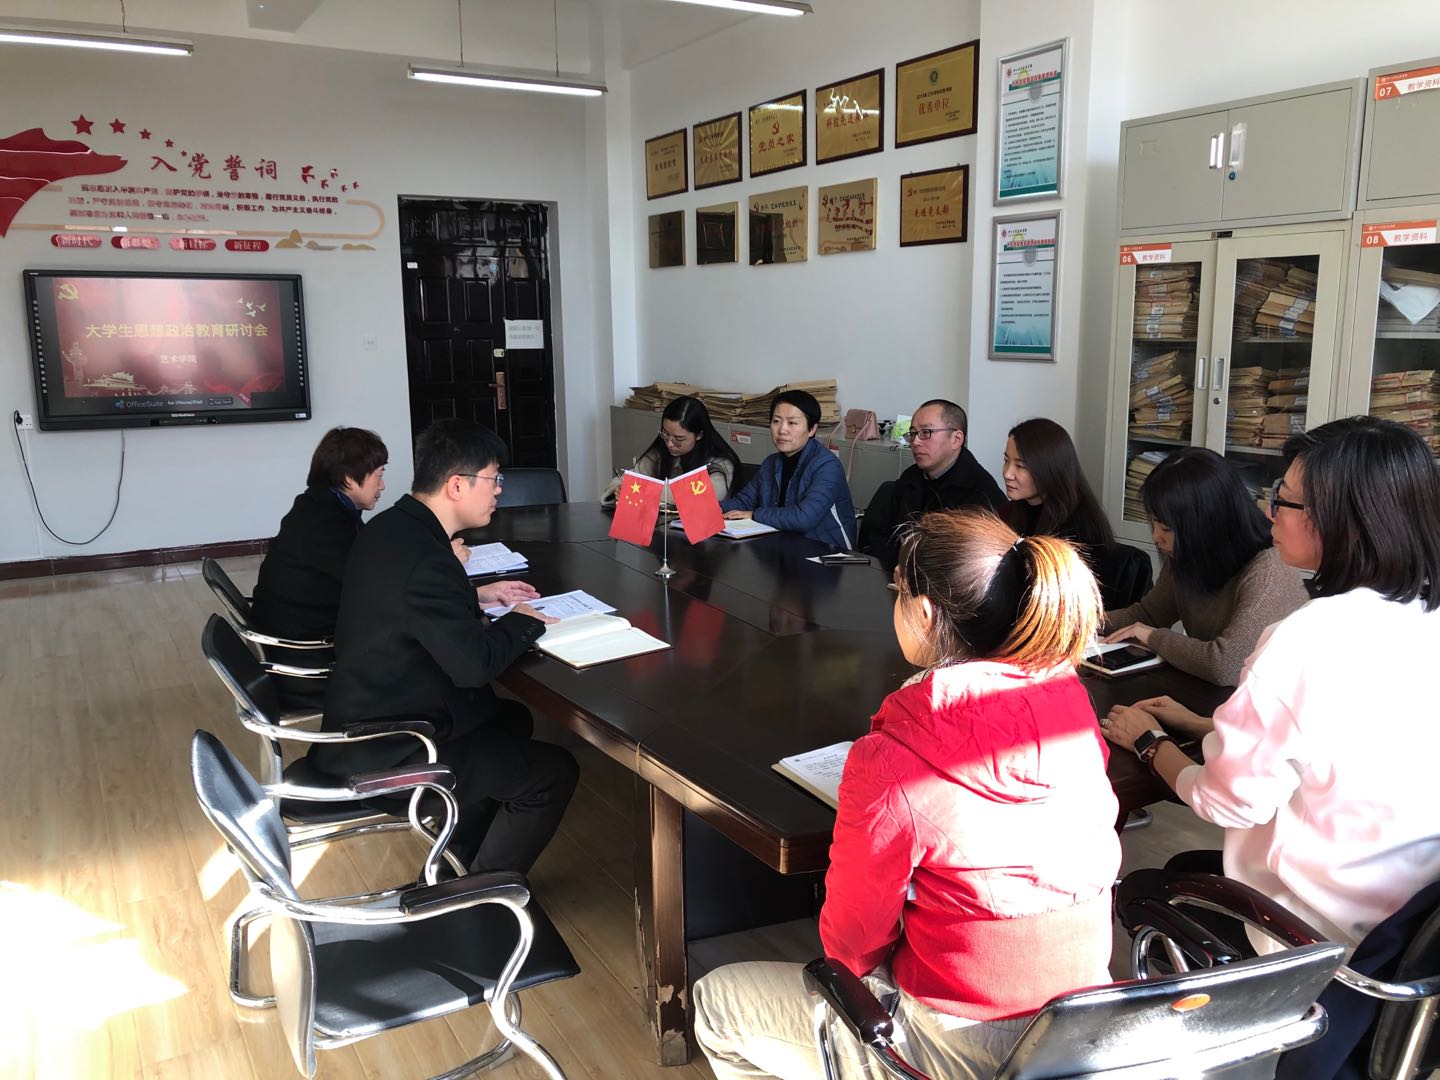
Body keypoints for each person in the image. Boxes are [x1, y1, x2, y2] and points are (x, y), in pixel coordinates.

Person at [695, 508, 1121, 1079]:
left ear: (923, 613)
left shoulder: (894, 758)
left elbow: (851, 944)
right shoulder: (1073, 709)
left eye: (897, 591)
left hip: (961, 1043)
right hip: (1083, 1025)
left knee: (715, 1003)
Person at [1103, 417, 1440, 954]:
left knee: (1145, 884)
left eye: (1282, 499)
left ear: (1338, 521)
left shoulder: (1305, 638)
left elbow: (1226, 803)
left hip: (1314, 932)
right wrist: (1204, 725)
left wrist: (1149, 741)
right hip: (1407, 924)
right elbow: (1345, 747)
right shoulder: (1422, 616)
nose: (1268, 513)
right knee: (1186, 865)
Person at [313, 419, 578, 875]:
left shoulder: (391, 528)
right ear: (457, 485)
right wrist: (523, 621)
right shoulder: (428, 559)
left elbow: (415, 608)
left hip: (369, 710)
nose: (499, 490)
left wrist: (475, 599)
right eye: (494, 479)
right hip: (394, 745)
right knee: (555, 771)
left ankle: (457, 859)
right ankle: (479, 896)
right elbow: (473, 667)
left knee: (511, 719)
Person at [1103, 447, 1308, 685]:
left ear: (1206, 524)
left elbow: (1226, 665)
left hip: (1267, 702)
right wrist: (1079, 622)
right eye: (1153, 522)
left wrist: (1153, 637)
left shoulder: (1268, 570)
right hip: (1215, 698)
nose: (1156, 536)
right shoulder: (1189, 555)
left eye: (1167, 528)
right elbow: (1148, 615)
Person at [861, 398, 1003, 569]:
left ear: (956, 439)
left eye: (926, 432)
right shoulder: (910, 478)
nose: (915, 442)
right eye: (912, 433)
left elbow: (965, 564)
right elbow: (880, 536)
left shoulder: (980, 493)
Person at [720, 389, 856, 549]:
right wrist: (713, 508)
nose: (782, 430)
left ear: (812, 429)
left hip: (828, 552)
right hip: (784, 545)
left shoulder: (827, 466)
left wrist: (755, 515)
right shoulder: (770, 463)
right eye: (776, 421)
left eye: (792, 423)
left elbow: (804, 518)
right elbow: (744, 501)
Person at [603, 394, 741, 506]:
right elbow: (632, 477)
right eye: (665, 434)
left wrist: (642, 490)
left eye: (679, 439)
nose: (669, 444)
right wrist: (619, 489)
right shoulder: (661, 451)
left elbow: (698, 496)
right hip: (661, 527)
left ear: (699, 435)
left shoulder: (721, 463)